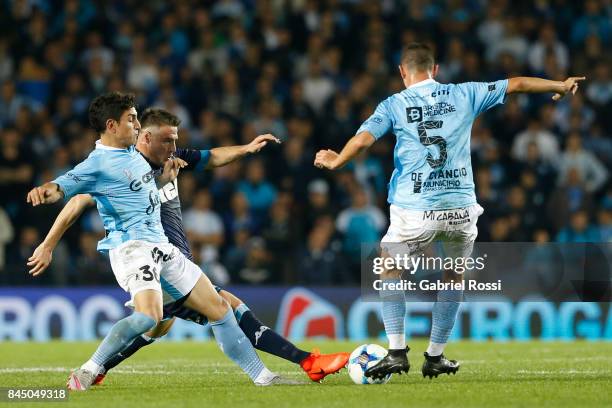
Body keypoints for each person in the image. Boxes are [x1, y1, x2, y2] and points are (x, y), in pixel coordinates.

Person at [314, 43, 585, 380]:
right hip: (461, 209)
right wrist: (558, 85)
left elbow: (365, 140)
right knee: (454, 274)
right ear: (436, 70)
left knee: (388, 267)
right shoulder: (464, 93)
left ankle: (397, 351)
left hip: (416, 209)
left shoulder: (395, 103)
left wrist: (338, 159)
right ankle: (435, 356)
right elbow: (516, 84)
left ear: (402, 72)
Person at [28, 107, 349, 384]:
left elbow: (212, 157)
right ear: (145, 138)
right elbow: (76, 201)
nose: (174, 147)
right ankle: (305, 363)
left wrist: (247, 148)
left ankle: (97, 368)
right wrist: (48, 244)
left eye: (175, 140)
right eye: (167, 140)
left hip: (171, 257)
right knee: (227, 310)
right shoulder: (118, 168)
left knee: (157, 327)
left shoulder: (171, 158)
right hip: (146, 257)